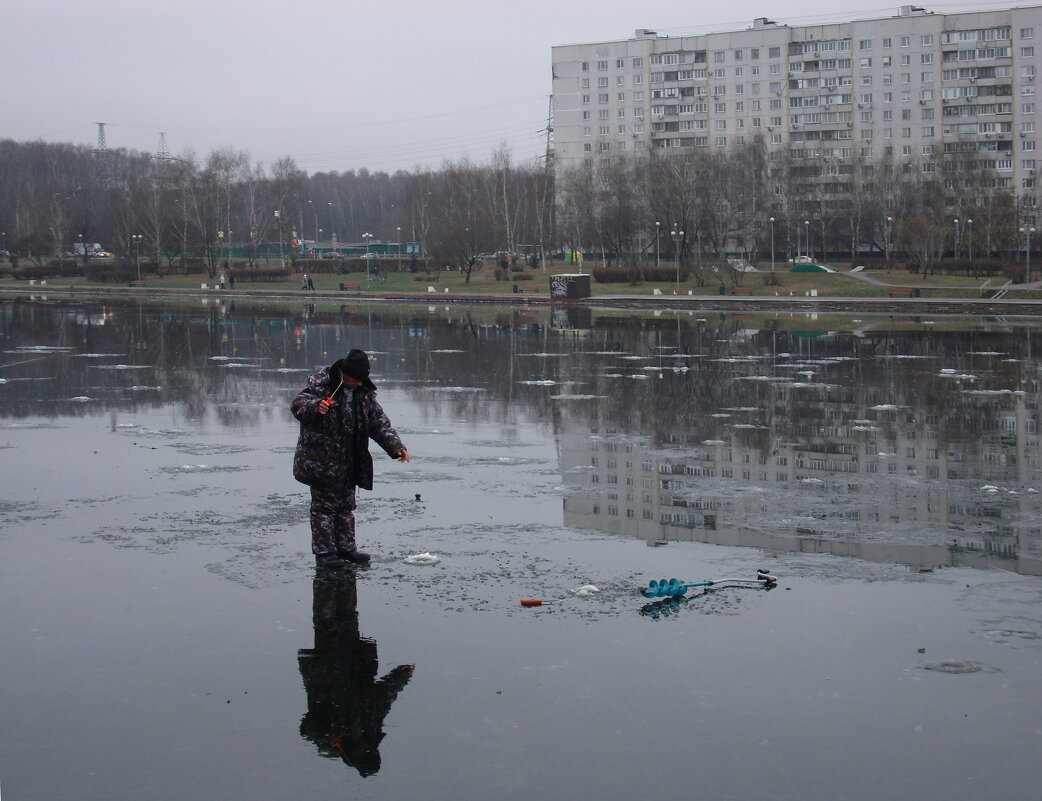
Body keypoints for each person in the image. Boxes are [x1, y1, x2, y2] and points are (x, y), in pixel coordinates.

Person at [291, 349, 409, 567]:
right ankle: (325, 552)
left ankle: (346, 547)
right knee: (324, 508)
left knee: (346, 506)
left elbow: (378, 423)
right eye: (353, 380)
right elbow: (298, 405)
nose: (356, 384)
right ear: (345, 375)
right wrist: (316, 407)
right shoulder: (320, 385)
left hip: (349, 460)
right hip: (320, 459)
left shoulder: (363, 393)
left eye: (359, 380)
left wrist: (396, 447)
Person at [298, 570, 414, 776]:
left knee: (326, 624)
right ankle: (342, 577)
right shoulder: (372, 727)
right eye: (369, 751)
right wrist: (400, 677)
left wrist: (327, 738)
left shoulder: (332, 742)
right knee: (348, 618)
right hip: (355, 662)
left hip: (328, 667)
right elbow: (384, 696)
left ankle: (327, 578)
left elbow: (307, 728)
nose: (366, 748)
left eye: (364, 753)